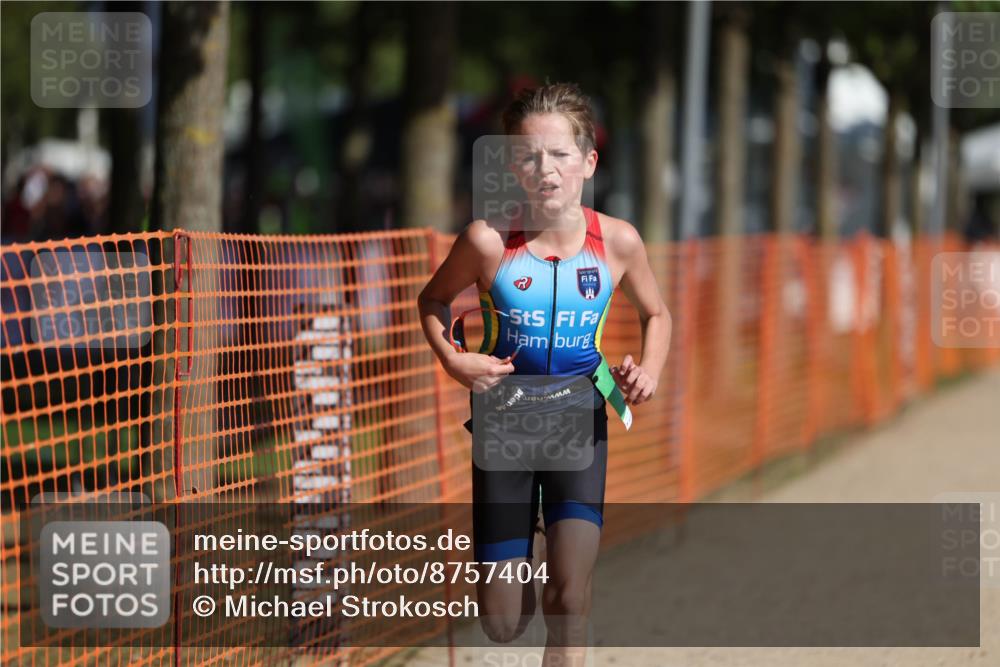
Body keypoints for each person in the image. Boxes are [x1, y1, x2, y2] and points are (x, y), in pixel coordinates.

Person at [418, 82, 671, 664]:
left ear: (588, 161)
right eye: (530, 156)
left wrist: (648, 373)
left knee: (569, 599)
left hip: (579, 425)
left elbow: (657, 314)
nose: (546, 169)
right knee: (503, 624)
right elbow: (431, 302)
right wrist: (454, 360)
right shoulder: (486, 242)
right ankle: (531, 556)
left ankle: (563, 576)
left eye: (560, 154)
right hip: (504, 432)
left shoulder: (619, 242)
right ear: (513, 166)